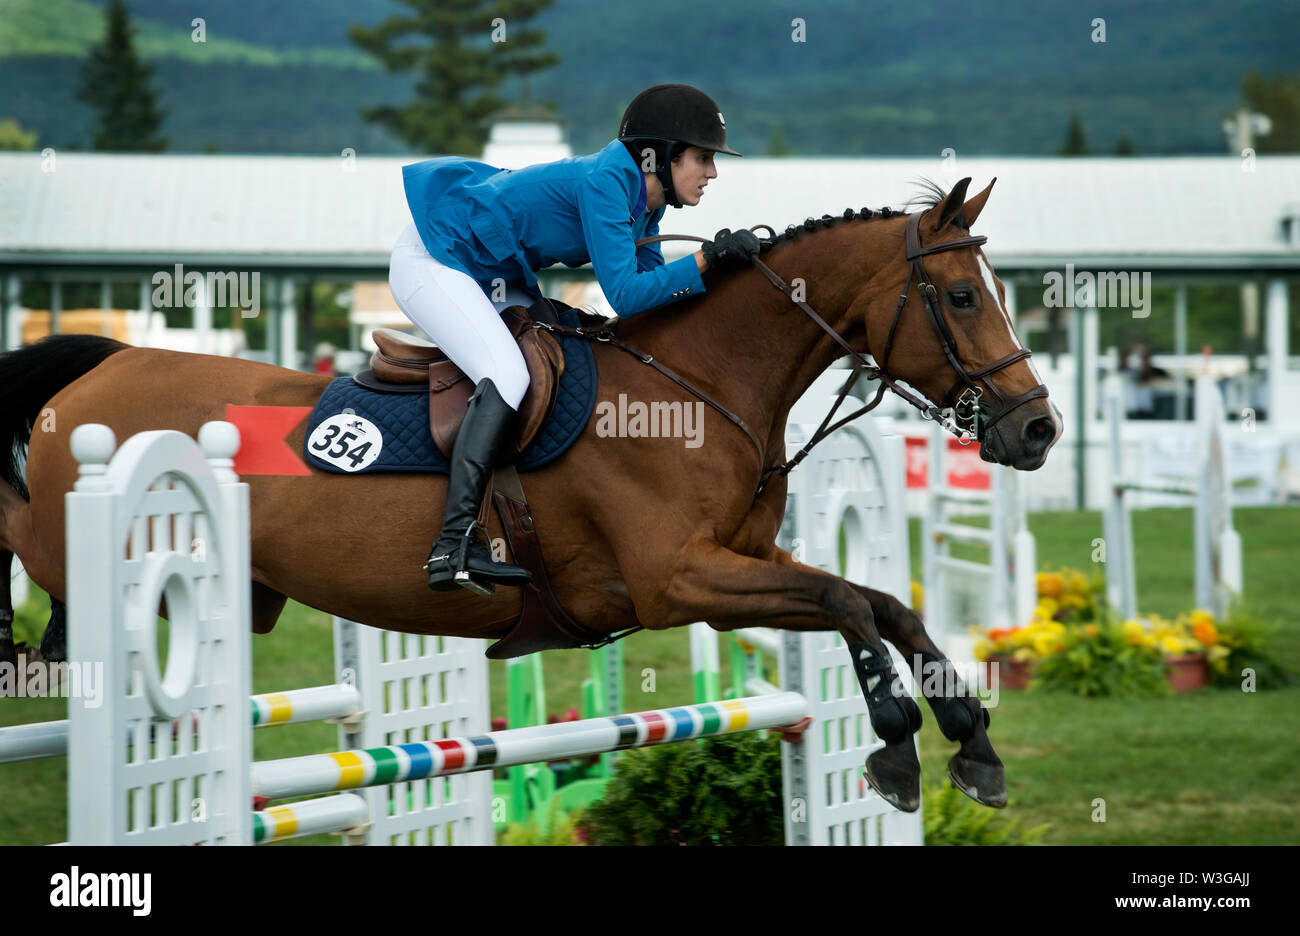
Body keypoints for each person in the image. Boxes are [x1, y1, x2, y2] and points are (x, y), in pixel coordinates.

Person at [390, 84, 761, 596]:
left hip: (494, 269)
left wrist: (720, 275)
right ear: (663, 156)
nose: (712, 172)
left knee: (558, 350)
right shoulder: (609, 182)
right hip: (436, 257)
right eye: (703, 158)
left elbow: (654, 298)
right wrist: (707, 260)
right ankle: (452, 545)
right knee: (507, 373)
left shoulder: (644, 201)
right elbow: (627, 295)